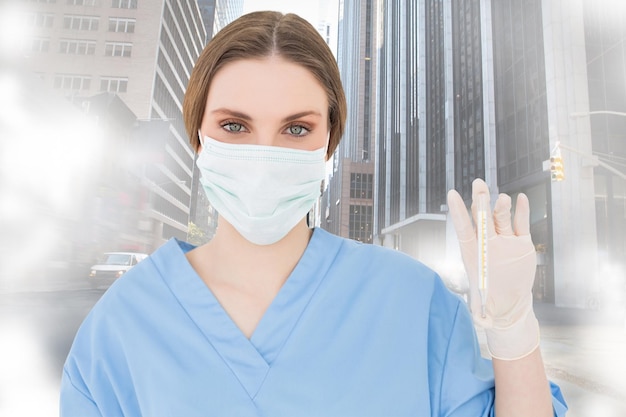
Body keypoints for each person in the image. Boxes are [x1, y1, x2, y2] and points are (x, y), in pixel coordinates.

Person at [60, 11, 567, 417]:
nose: (264, 152)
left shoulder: (414, 304)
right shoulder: (122, 326)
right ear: (199, 139)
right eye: (235, 126)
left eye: (296, 129)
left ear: (329, 147)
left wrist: (514, 328)